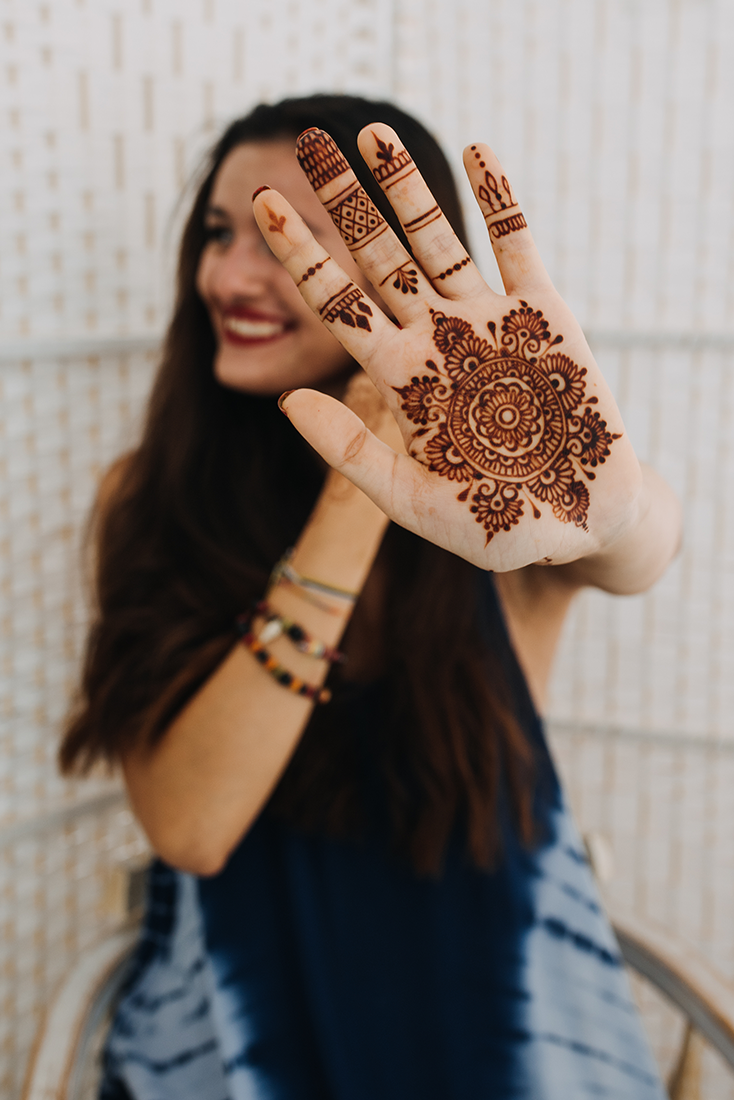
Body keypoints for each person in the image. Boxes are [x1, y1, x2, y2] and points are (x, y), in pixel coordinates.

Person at [60, 94, 680, 1100]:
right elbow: (192, 827)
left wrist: (607, 502)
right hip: (240, 1019)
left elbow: (634, 551)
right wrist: (363, 469)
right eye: (222, 233)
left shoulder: (494, 500)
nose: (230, 275)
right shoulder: (151, 494)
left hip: (504, 1019)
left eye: (292, 237)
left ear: (400, 273)